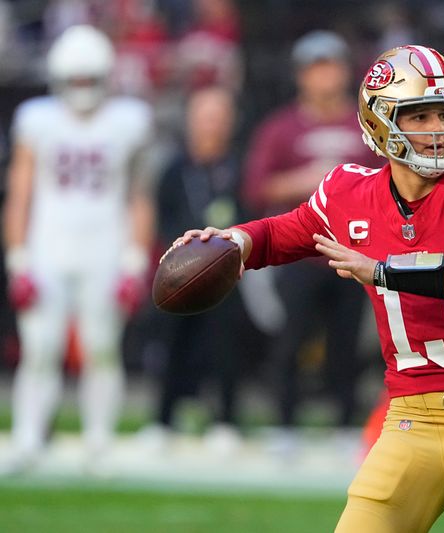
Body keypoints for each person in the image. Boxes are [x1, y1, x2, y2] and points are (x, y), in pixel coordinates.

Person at [167, 45, 444, 532]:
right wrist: (232, 240)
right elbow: (281, 233)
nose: (438, 129)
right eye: (420, 116)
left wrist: (382, 270)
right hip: (413, 421)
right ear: (379, 123)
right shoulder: (349, 193)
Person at [1, 25, 154, 473]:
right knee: (40, 348)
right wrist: (17, 259)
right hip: (48, 246)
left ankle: (98, 443)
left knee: (102, 347)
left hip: (104, 247)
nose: (83, 90)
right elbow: (20, 192)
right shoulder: (37, 119)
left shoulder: (129, 119)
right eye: (76, 80)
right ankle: (29, 440)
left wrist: (133, 260)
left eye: (90, 80)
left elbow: (138, 195)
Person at [242, 30, 380, 431]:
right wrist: (305, 181)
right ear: (302, 75)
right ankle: (284, 422)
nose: (324, 78)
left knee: (348, 343)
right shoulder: (280, 128)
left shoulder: (367, 127)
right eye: (316, 69)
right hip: (299, 253)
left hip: (353, 253)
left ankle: (343, 422)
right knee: (291, 341)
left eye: (331, 68)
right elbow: (255, 188)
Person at [141, 86, 248, 454]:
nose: (211, 126)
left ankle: (225, 421)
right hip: (180, 272)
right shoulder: (174, 169)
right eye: (204, 118)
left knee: (225, 347)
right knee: (171, 345)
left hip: (228, 272)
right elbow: (160, 217)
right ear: (190, 122)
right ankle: (163, 420)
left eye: (218, 118)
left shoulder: (237, 166)